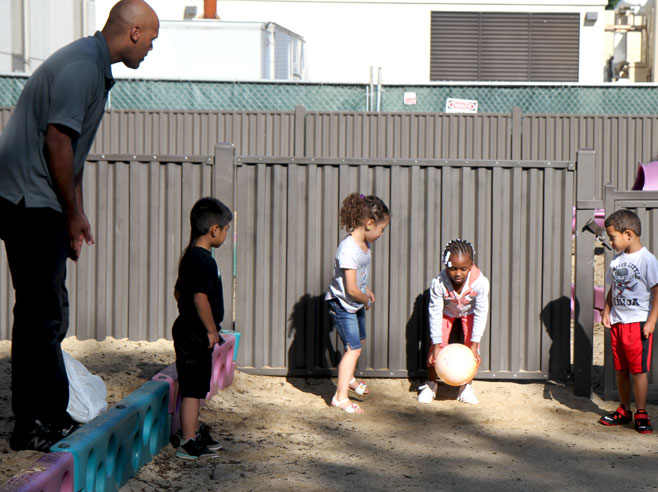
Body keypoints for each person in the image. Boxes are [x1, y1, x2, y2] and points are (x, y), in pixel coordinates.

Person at [0, 0, 159, 451]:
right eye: (151, 38)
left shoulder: (91, 65)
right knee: (39, 314)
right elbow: (57, 142)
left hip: (38, 199)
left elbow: (73, 156)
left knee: (49, 310)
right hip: (28, 200)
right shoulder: (82, 68)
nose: (151, 48)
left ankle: (46, 414)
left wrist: (75, 217)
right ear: (133, 32)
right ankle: (34, 424)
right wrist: (70, 213)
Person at [173, 197, 232, 459]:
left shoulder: (191, 257)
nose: (227, 234)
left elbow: (178, 292)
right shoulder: (204, 262)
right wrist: (210, 330)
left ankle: (193, 432)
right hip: (195, 334)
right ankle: (187, 441)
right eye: (227, 229)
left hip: (190, 331)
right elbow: (200, 298)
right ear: (214, 230)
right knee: (193, 389)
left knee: (196, 387)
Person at [325, 192, 390, 413]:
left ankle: (349, 378)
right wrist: (365, 299)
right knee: (353, 349)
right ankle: (340, 398)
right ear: (370, 224)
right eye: (382, 229)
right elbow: (351, 289)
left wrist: (366, 290)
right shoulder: (348, 250)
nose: (382, 234)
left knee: (358, 342)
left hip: (355, 301)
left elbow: (358, 278)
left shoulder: (364, 245)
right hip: (343, 303)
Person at [599, 209, 657, 434]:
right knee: (621, 369)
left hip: (638, 324)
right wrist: (606, 310)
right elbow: (614, 288)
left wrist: (652, 320)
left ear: (629, 234)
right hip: (617, 323)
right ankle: (624, 409)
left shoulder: (648, 260)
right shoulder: (617, 260)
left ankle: (641, 412)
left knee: (638, 371)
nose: (610, 242)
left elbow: (657, 290)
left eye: (613, 237)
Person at [418, 239, 490, 405]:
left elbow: (481, 312)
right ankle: (431, 385)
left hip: (469, 312)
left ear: (471, 265)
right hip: (446, 312)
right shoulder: (439, 283)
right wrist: (436, 344)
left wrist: (474, 342)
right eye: (453, 268)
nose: (458, 273)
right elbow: (434, 313)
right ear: (445, 266)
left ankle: (466, 388)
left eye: (463, 269)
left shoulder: (480, 283)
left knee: (473, 351)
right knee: (435, 349)